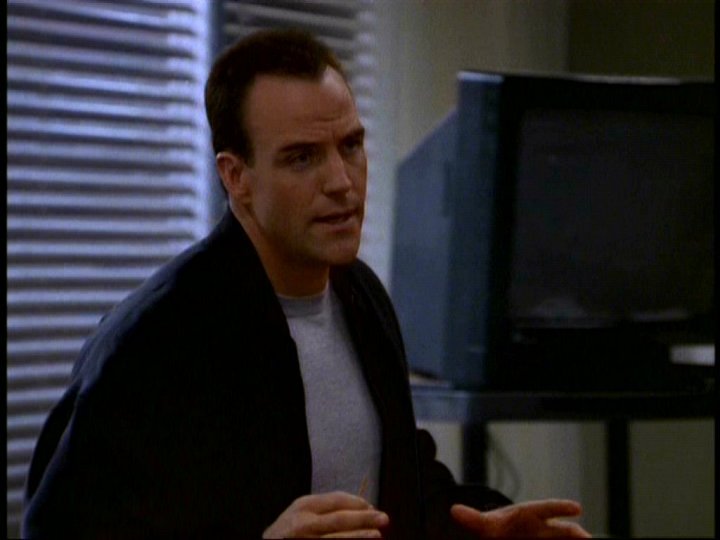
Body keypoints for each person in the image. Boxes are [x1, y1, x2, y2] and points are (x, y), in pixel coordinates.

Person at [22, 28, 591, 539]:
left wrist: (476, 527)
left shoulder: (361, 295)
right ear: (236, 177)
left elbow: (402, 480)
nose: (342, 182)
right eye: (302, 158)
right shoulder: (154, 341)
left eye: (351, 146)